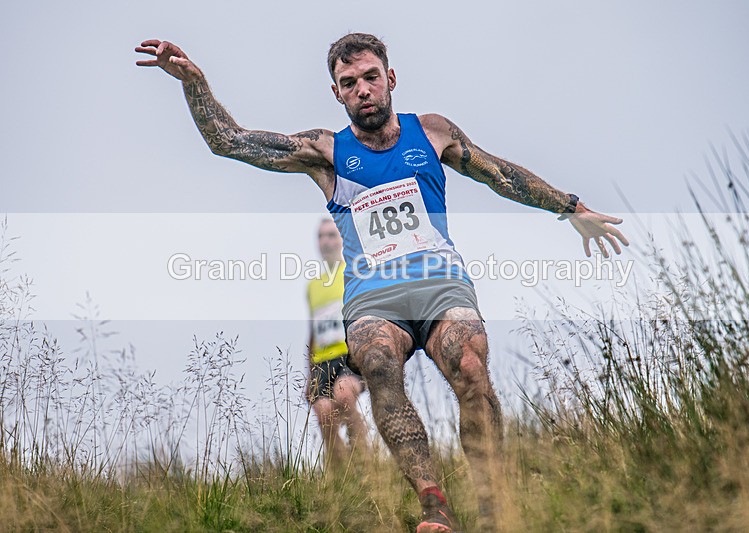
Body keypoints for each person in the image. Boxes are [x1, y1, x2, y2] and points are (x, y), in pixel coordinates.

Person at [136, 33, 628, 532]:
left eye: (371, 77)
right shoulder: (327, 151)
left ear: (390, 79)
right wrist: (194, 83)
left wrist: (571, 206)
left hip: (440, 283)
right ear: (337, 93)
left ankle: (491, 505)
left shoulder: (432, 133)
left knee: (470, 366)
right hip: (374, 295)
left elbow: (499, 174)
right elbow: (230, 141)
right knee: (377, 363)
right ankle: (433, 504)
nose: (363, 90)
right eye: (349, 82)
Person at [305, 217, 367, 467]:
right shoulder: (313, 286)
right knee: (324, 413)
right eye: (321, 236)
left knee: (344, 394)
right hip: (322, 360)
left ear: (341, 240)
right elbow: (312, 330)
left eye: (331, 235)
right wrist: (309, 372)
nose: (326, 241)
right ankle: (341, 474)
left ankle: (367, 462)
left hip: (349, 354)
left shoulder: (352, 274)